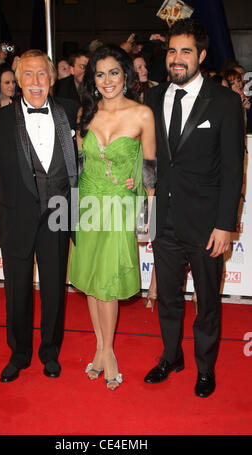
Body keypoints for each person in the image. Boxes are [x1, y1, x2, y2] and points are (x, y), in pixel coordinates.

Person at [0, 49, 79, 383]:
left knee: (54, 289)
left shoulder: (70, 111)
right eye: (28, 75)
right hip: (16, 217)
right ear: (16, 82)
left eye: (42, 74)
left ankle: (50, 352)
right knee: (18, 290)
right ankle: (19, 353)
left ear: (52, 79)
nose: (36, 82)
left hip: (58, 214)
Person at [144, 19, 244, 398]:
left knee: (207, 303)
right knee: (168, 299)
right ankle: (171, 357)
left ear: (201, 55)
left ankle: (205, 368)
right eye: (172, 51)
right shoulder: (152, 99)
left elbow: (234, 169)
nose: (177, 58)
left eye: (186, 51)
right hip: (164, 222)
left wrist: (224, 225)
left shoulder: (225, 102)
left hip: (206, 225)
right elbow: (151, 158)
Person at [69, 44, 156, 390]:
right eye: (100, 74)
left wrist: (147, 213)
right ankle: (99, 348)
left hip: (120, 206)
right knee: (91, 281)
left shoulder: (142, 114)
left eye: (114, 73)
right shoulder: (85, 113)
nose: (107, 81)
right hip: (89, 205)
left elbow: (150, 170)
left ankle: (108, 352)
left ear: (126, 76)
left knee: (106, 284)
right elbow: (79, 164)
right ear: (93, 79)